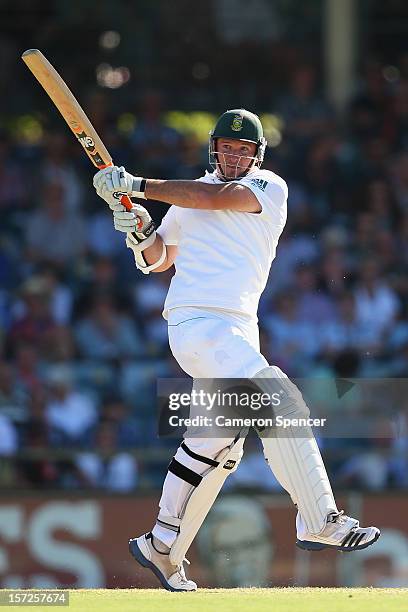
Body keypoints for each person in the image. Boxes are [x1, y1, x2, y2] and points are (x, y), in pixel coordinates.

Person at [93, 109, 380, 592]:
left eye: (244, 149)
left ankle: (163, 544)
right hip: (196, 326)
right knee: (280, 402)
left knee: (218, 444)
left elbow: (215, 198)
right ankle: (320, 519)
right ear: (214, 149)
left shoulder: (269, 188)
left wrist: (138, 185)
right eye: (227, 147)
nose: (234, 155)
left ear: (257, 155)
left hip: (237, 333)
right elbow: (159, 258)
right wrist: (140, 233)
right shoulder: (185, 201)